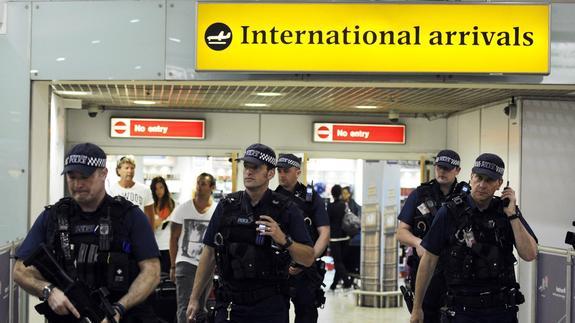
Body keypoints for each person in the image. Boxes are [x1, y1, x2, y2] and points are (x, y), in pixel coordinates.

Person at [13, 142, 161, 323]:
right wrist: (48, 290)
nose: (77, 184)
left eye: (84, 177)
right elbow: (20, 271)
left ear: (103, 174)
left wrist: (120, 308)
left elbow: (152, 271)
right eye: (71, 176)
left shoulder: (129, 216)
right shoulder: (53, 216)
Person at [186, 143, 315, 323]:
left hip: (270, 306)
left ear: (270, 173)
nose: (248, 172)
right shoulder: (227, 206)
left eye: (255, 167)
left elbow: (309, 257)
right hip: (231, 304)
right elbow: (208, 254)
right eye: (246, 166)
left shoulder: (287, 209)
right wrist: (194, 298)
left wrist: (284, 240)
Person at [410, 153, 538, 323]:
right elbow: (429, 260)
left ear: (499, 184)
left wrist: (512, 216)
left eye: (489, 180)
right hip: (462, 311)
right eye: (478, 177)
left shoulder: (507, 212)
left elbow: (529, 254)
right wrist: (417, 307)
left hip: (501, 310)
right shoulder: (449, 212)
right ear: (471, 177)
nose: (482, 185)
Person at [397, 149, 461, 322]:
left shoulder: (465, 196)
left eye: (447, 168)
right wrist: (419, 243)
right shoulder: (420, 195)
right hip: (426, 274)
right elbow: (401, 232)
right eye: (439, 167)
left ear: (457, 171)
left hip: (457, 273)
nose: (442, 172)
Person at [275, 153, 330, 323]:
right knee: (275, 315)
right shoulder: (272, 197)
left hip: (306, 270)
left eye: (286, 171)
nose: (281, 175)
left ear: (298, 172)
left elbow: (325, 233)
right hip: (278, 268)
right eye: (279, 171)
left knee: (306, 315)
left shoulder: (311, 197)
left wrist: (307, 259)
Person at [170, 173, 217, 323]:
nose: (199, 187)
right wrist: (172, 266)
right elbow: (173, 238)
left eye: (203, 184)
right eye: (198, 183)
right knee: (185, 306)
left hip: (207, 263)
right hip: (185, 262)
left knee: (201, 307)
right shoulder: (182, 209)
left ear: (212, 187)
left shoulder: (217, 210)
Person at [107, 155, 155, 228]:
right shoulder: (112, 190)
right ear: (118, 170)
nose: (130, 171)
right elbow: (109, 215)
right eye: (126, 168)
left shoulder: (145, 189)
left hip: (139, 232)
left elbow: (150, 215)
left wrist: (150, 234)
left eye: (132, 168)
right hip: (119, 232)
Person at [327, 184, 353, 290]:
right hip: (345, 236)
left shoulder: (330, 206)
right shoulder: (344, 205)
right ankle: (334, 284)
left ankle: (347, 281)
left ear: (332, 194)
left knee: (337, 262)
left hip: (334, 237)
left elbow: (327, 222)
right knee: (340, 261)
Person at [150, 176, 176, 274]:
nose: (159, 191)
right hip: (154, 245)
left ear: (165, 187)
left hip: (168, 245)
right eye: (156, 189)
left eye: (161, 187)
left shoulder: (171, 204)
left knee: (167, 276)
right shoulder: (151, 205)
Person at [342, 186, 361, 276]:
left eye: (346, 193)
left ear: (350, 194)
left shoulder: (354, 205)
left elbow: (356, 220)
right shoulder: (341, 204)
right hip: (343, 234)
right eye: (342, 193)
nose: (344, 195)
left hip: (353, 233)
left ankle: (352, 271)